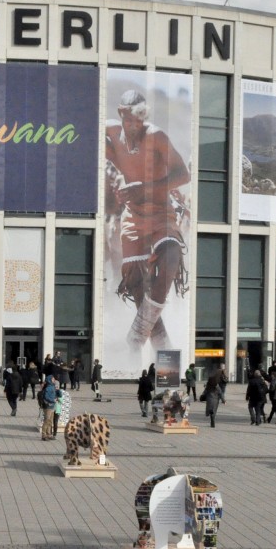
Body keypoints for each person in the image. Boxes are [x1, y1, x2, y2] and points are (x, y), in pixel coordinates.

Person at [105, 89, 190, 353]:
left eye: (139, 120)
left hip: (161, 212)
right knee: (136, 282)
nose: (134, 126)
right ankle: (160, 346)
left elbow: (183, 175)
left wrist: (145, 188)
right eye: (129, 120)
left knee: (172, 256)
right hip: (131, 215)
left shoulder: (156, 137)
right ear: (121, 114)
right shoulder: (108, 132)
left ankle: (137, 336)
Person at [40, 374, 58, 440]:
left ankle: (49, 434)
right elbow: (46, 397)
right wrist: (53, 400)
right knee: (46, 420)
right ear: (50, 380)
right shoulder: (48, 388)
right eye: (53, 379)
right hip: (48, 406)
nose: (54, 380)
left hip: (52, 406)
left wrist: (57, 393)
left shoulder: (53, 387)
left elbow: (55, 395)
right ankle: (44, 435)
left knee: (50, 421)